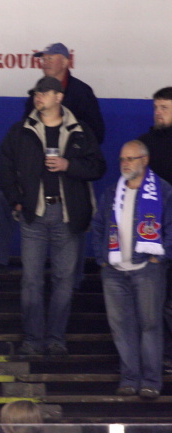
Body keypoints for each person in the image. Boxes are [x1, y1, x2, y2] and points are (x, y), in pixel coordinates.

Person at [0, 76, 106, 356]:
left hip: (67, 215)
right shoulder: (21, 130)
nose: (38, 97)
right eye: (36, 92)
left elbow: (98, 167)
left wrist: (68, 165)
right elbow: (6, 167)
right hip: (33, 214)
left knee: (64, 280)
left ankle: (56, 339)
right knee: (31, 280)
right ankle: (33, 340)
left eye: (44, 92)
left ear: (59, 97)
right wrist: (16, 201)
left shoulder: (80, 131)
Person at [92, 140, 172, 400]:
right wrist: (103, 259)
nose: (125, 163)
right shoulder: (112, 192)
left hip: (147, 268)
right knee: (121, 327)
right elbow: (99, 226)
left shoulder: (162, 190)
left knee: (150, 325)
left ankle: (150, 381)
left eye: (130, 158)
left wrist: (160, 258)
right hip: (114, 271)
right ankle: (129, 379)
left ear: (144, 160)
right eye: (122, 159)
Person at [138, 87, 172, 369]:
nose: (158, 113)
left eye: (164, 108)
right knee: (152, 301)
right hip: (150, 232)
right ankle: (155, 356)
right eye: (156, 107)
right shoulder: (143, 145)